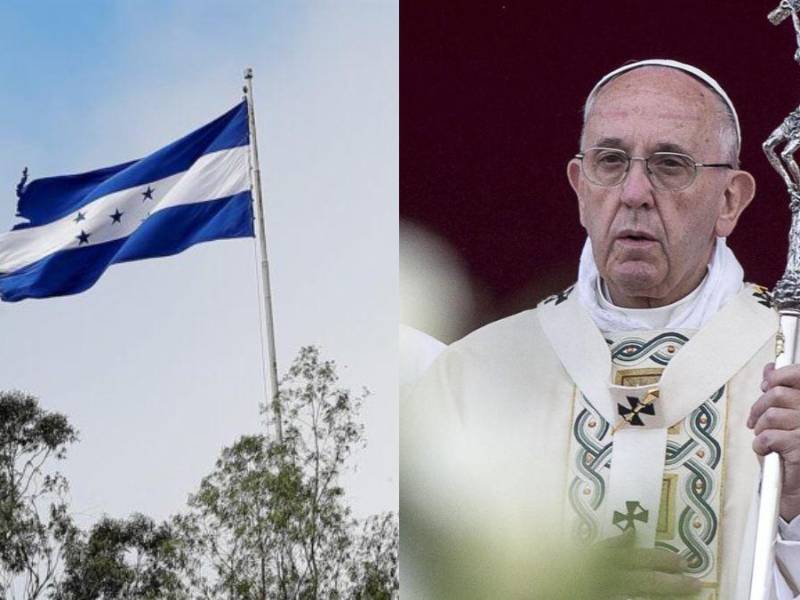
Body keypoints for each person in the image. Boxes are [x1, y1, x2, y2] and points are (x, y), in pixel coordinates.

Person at [404, 59, 800, 599]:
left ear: (730, 200)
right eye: (611, 162)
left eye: (670, 164)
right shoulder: (476, 377)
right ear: (579, 188)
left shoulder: (790, 364)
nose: (635, 191)